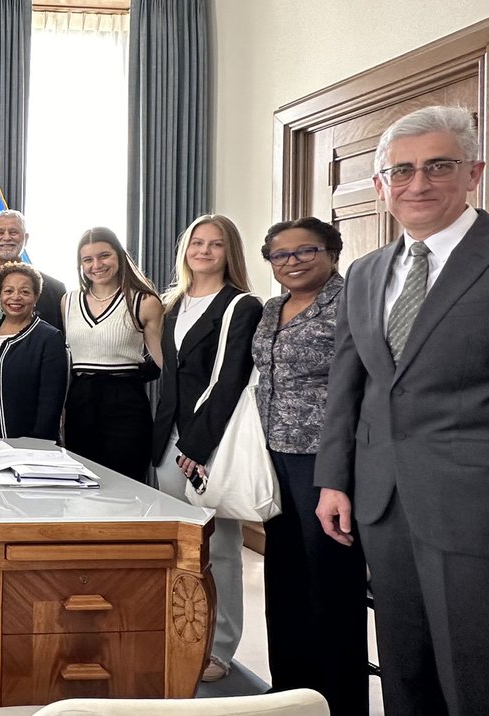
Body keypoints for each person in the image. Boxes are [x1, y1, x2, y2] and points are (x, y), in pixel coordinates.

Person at [315, 105, 489, 715]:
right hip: (382, 502)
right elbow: (348, 385)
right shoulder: (364, 273)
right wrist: (335, 479)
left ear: (473, 172)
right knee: (404, 669)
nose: (419, 184)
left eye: (438, 166)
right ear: (383, 186)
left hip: (473, 506)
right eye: (402, 171)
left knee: (474, 672)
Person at [252, 218, 367, 713]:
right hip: (273, 455)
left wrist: (337, 473)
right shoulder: (272, 307)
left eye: (305, 251)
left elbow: (361, 382)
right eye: (280, 255)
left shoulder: (350, 302)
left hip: (327, 459)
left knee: (330, 585)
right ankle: (290, 694)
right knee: (285, 581)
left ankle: (339, 700)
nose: (292, 261)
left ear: (332, 252)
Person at [151, 214, 262, 683]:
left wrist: (197, 444)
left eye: (216, 244)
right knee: (176, 548)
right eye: (197, 242)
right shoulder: (172, 303)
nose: (204, 250)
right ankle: (178, 633)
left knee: (220, 550)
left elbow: (232, 379)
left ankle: (218, 647)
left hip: (208, 443)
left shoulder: (242, 305)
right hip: (167, 440)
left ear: (228, 252)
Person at [61, 227, 163, 481]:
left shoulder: (144, 301)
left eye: (104, 256)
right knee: (81, 482)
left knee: (126, 482)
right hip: (80, 401)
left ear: (118, 256)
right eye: (88, 259)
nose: (97, 265)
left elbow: (163, 361)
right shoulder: (68, 301)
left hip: (125, 403)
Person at [0, 262, 68, 440]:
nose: (16, 297)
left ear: (36, 297)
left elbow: (51, 402)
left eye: (25, 292)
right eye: (8, 291)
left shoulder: (49, 338)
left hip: (23, 435)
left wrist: (37, 441)